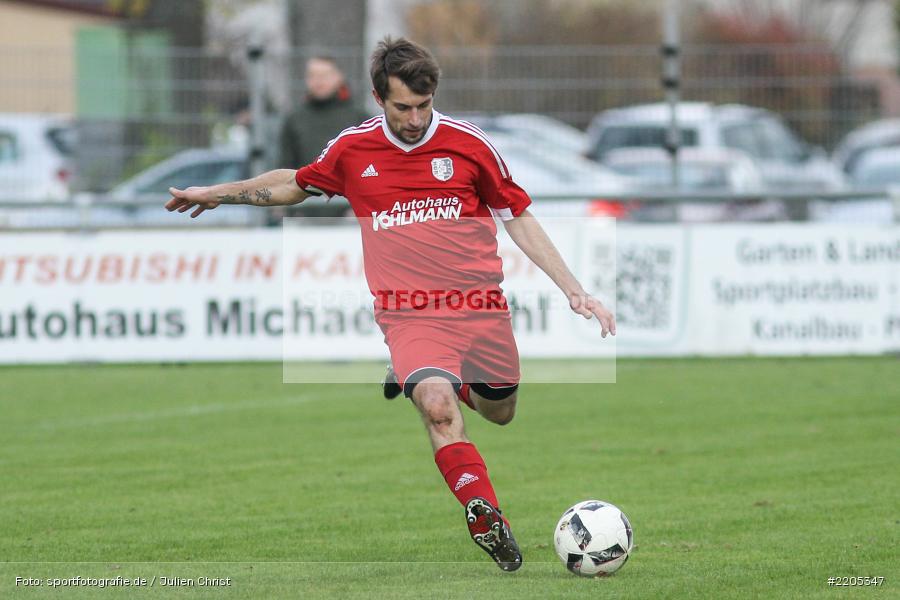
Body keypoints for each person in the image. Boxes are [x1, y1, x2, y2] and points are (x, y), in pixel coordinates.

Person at [165, 37, 615, 572]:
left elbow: (517, 215)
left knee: (501, 412)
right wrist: (218, 192)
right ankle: (486, 513)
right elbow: (293, 183)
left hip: (479, 306)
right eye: (403, 107)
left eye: (423, 106)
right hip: (408, 311)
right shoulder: (353, 149)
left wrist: (573, 288)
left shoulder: (469, 145)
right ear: (379, 99)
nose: (414, 117)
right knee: (437, 405)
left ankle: (441, 379)